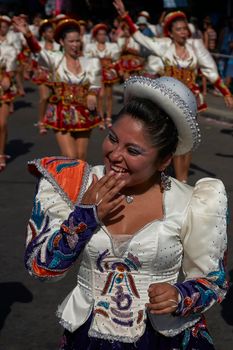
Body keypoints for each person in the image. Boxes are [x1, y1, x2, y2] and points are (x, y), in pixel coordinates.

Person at [25, 76, 228, 350]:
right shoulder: (72, 183)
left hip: (163, 339)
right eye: (112, 138)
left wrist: (180, 296)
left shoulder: (192, 202)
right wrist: (85, 214)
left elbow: (214, 281)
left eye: (132, 150)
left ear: (164, 160)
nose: (114, 154)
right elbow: (41, 268)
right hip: (87, 337)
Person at [113, 0, 233, 183]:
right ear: (171, 32)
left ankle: (182, 179)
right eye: (179, 29)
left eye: (185, 28)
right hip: (169, 98)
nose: (183, 32)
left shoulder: (195, 47)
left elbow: (210, 70)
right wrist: (125, 16)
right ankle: (178, 179)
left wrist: (225, 92)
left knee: (188, 138)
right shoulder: (164, 46)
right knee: (175, 138)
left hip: (191, 99)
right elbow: (140, 37)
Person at [13, 16, 101, 160]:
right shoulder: (55, 59)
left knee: (81, 157)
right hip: (61, 111)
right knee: (70, 156)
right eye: (71, 41)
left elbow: (96, 82)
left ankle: (75, 182)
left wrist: (92, 93)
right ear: (61, 42)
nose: (75, 45)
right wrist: (28, 34)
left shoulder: (91, 62)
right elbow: (38, 52)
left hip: (84, 112)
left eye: (77, 41)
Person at [85, 23, 120, 128]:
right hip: (97, 73)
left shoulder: (112, 46)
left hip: (108, 73)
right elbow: (87, 61)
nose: (102, 36)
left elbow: (116, 60)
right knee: (100, 96)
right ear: (96, 36)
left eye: (104, 34)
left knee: (109, 96)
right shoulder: (90, 47)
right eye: (100, 34)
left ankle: (108, 117)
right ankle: (100, 118)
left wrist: (111, 66)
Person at [32, 18, 60, 135]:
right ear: (43, 34)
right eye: (49, 32)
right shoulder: (40, 45)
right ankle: (41, 122)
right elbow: (35, 59)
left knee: (55, 98)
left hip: (56, 74)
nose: (51, 34)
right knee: (44, 97)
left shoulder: (58, 45)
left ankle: (50, 118)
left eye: (52, 32)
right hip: (43, 73)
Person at [0, 16, 17, 172]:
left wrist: (7, 77)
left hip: (2, 87)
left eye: (4, 26)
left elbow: (11, 67)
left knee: (2, 124)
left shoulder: (9, 47)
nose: (2, 28)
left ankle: (1, 153)